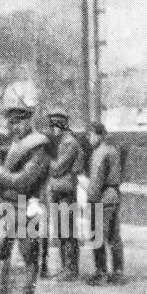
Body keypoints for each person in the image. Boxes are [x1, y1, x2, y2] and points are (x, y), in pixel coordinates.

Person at [0, 106, 51, 294]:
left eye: (18, 122)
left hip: (28, 204)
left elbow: (24, 180)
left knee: (28, 252)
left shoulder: (39, 146)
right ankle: (0, 292)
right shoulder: (14, 144)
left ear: (29, 121)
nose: (14, 127)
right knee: (0, 249)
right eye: (11, 123)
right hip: (8, 204)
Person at [46, 111, 86, 281]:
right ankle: (66, 268)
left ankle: (70, 269)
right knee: (62, 230)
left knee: (67, 231)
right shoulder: (62, 142)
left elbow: (57, 168)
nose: (51, 130)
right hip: (59, 190)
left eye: (53, 126)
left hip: (66, 191)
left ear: (59, 126)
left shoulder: (69, 143)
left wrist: (44, 159)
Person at [85, 122, 123, 285]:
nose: (89, 139)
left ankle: (101, 272)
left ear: (98, 135)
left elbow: (96, 179)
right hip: (114, 194)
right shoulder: (113, 150)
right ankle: (118, 271)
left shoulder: (99, 153)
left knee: (97, 235)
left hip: (102, 196)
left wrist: (90, 199)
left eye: (91, 135)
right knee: (114, 236)